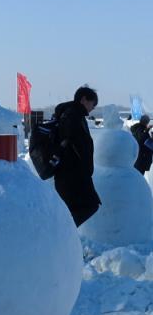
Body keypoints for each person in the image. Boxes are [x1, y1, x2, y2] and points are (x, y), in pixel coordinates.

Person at [53, 86, 101, 227]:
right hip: (72, 175)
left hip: (72, 174)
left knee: (77, 209)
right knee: (89, 206)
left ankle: (65, 236)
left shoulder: (73, 114)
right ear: (84, 99)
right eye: (93, 103)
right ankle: (63, 235)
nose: (93, 108)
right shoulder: (72, 115)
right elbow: (72, 144)